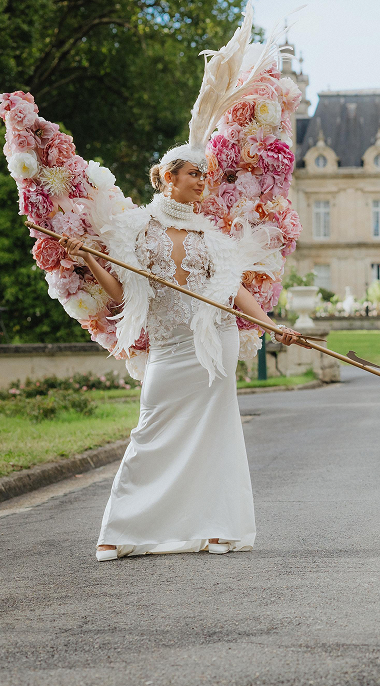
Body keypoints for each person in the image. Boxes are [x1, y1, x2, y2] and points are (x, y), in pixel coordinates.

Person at [59, 159, 299, 562]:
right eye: (194, 174)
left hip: (213, 341)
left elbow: (233, 289)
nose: (202, 181)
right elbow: (121, 294)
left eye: (204, 175)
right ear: (169, 178)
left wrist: (272, 327)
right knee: (150, 429)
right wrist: (89, 260)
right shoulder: (137, 227)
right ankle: (119, 532)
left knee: (217, 432)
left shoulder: (211, 234)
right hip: (169, 345)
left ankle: (220, 527)